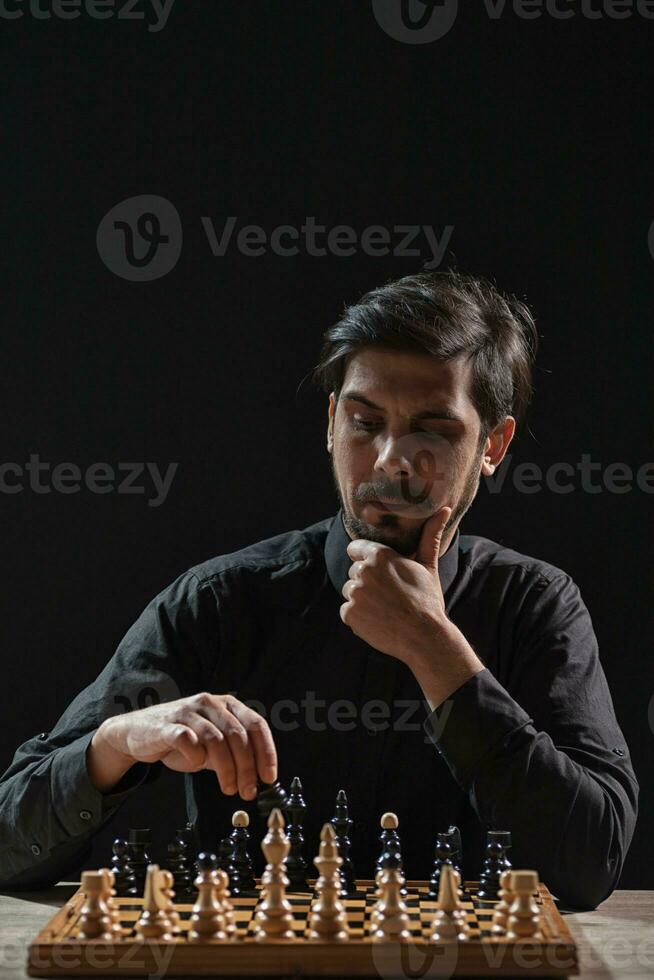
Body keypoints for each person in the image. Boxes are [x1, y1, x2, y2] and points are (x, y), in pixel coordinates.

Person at [0, 270, 638, 909]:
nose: (392, 457)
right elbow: (7, 838)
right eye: (366, 422)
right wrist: (118, 742)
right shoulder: (219, 602)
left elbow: (591, 863)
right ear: (332, 422)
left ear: (493, 444)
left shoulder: (536, 605)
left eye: (434, 431)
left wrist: (435, 648)